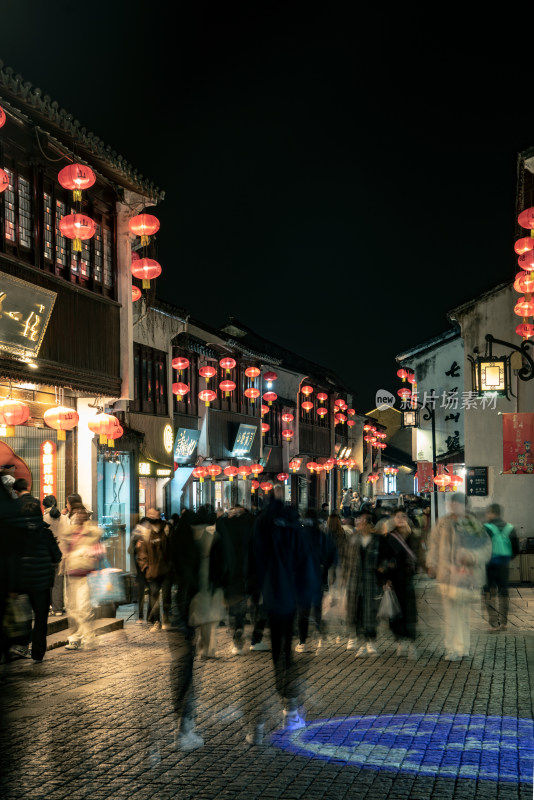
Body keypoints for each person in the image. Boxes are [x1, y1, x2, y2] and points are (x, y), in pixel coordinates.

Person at [249, 486, 311, 744]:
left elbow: (253, 560)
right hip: (292, 596)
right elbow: (304, 560)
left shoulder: (261, 525)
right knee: (287, 647)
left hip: (271, 595)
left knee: (278, 649)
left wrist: (253, 593)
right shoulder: (294, 526)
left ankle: (262, 723)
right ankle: (291, 708)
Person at [426, 493, 492, 661]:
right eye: (451, 503)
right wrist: (431, 563)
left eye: (457, 503)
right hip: (447, 574)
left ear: (464, 505)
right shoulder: (443, 523)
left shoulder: (475, 525)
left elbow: (486, 549)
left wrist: (472, 556)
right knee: (450, 613)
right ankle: (452, 648)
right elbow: (433, 544)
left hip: (467, 576)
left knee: (463, 613)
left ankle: (463, 647)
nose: (453, 506)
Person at [13, 479, 61, 662]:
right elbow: (57, 556)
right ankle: (38, 652)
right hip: (41, 584)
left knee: (24, 616)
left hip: (22, 582)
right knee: (41, 617)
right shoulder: (46, 534)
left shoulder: (17, 534)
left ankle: (21, 645)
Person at [378, 507, 418, 659]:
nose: (401, 519)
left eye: (404, 516)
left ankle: (412, 643)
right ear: (393, 519)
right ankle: (400, 641)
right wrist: (384, 579)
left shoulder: (412, 536)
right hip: (393, 580)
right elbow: (382, 558)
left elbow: (417, 556)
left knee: (409, 612)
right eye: (398, 516)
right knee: (396, 613)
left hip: (407, 579)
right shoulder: (388, 537)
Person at [64, 506, 105, 651]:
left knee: (84, 607)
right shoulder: (70, 533)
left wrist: (90, 554)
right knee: (72, 608)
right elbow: (65, 550)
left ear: (86, 517)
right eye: (76, 514)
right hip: (71, 574)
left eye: (81, 514)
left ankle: (88, 636)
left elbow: (100, 551)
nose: (78, 516)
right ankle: (75, 637)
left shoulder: (92, 533)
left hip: (86, 574)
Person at [295, 508, 336, 652]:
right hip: (318, 576)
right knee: (318, 608)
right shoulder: (321, 535)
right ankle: (320, 638)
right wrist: (325, 567)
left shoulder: (299, 535)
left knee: (303, 611)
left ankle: (302, 642)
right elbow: (331, 554)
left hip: (301, 578)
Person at [217, 504, 255, 655]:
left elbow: (218, 525)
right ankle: (241, 627)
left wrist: (226, 515)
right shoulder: (250, 524)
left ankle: (237, 637)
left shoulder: (226, 525)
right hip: (247, 572)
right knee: (243, 602)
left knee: (232, 607)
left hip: (229, 573)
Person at [344, 510, 381, 656]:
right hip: (355, 581)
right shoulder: (353, 537)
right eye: (358, 519)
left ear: (369, 523)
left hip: (371, 582)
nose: (358, 522)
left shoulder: (377, 539)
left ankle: (370, 642)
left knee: (370, 612)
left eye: (362, 520)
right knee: (356, 611)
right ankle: (360, 642)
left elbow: (383, 559)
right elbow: (347, 558)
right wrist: (344, 578)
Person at [483, 503, 519, 631]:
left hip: (489, 565)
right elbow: (516, 549)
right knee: (503, 592)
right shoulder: (510, 528)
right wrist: (507, 558)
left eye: (488, 512)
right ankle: (504, 622)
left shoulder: (486, 527)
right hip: (504, 564)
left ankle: (494, 623)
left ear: (492, 513)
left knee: (489, 593)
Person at [136, 508, 173, 632]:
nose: (151, 517)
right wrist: (145, 567)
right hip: (152, 570)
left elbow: (173, 548)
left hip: (166, 569)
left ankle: (166, 616)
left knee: (166, 595)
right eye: (149, 514)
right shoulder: (145, 532)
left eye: (153, 514)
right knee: (154, 596)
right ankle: (156, 620)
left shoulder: (167, 529)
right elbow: (141, 552)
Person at [43, 495, 70, 616]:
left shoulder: (43, 518)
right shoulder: (64, 518)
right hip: (62, 553)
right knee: (58, 581)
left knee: (47, 581)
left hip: (47, 554)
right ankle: (58, 608)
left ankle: (47, 607)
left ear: (44, 505)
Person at [128, 517, 151, 624]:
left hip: (143, 568)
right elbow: (130, 550)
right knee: (147, 592)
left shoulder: (137, 535)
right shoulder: (139, 536)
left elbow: (130, 550)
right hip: (144, 568)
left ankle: (143, 617)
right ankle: (146, 616)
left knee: (143, 593)